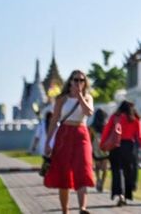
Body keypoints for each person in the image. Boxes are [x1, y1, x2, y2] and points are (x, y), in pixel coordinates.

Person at [43, 70, 95, 214]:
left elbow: (88, 112)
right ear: (70, 81)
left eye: (82, 80)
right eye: (76, 80)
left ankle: (82, 208)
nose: (79, 83)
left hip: (81, 134)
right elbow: (54, 121)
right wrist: (48, 142)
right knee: (63, 173)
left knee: (83, 169)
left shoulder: (88, 97)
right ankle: (65, 210)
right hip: (64, 134)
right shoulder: (62, 99)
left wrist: (79, 96)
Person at [100, 100, 141, 206]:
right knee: (128, 172)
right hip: (129, 147)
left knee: (116, 171)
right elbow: (140, 136)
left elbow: (107, 130)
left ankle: (120, 194)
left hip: (115, 146)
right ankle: (127, 192)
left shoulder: (115, 117)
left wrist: (103, 144)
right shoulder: (134, 119)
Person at [88, 108, 109, 192]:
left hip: (95, 149)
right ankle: (102, 183)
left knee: (97, 166)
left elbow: (90, 139)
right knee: (105, 167)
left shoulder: (91, 127)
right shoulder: (106, 126)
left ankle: (98, 179)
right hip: (105, 149)